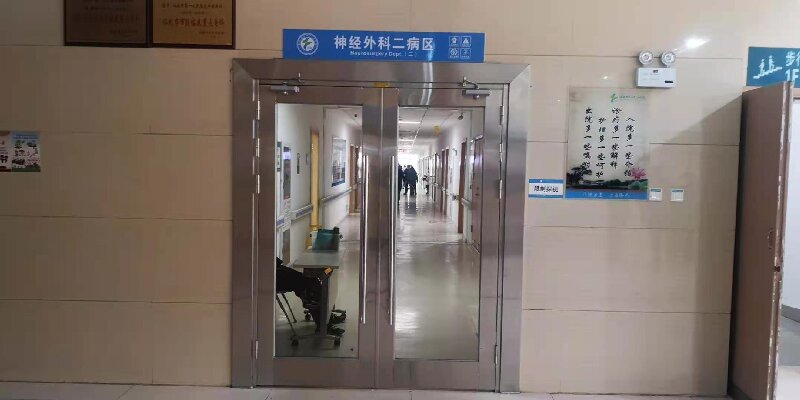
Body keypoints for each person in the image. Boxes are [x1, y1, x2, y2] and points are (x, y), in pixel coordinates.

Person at [276, 257, 345, 335]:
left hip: (277, 270)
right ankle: (323, 325)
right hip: (274, 277)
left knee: (312, 281)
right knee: (310, 285)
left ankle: (327, 318)